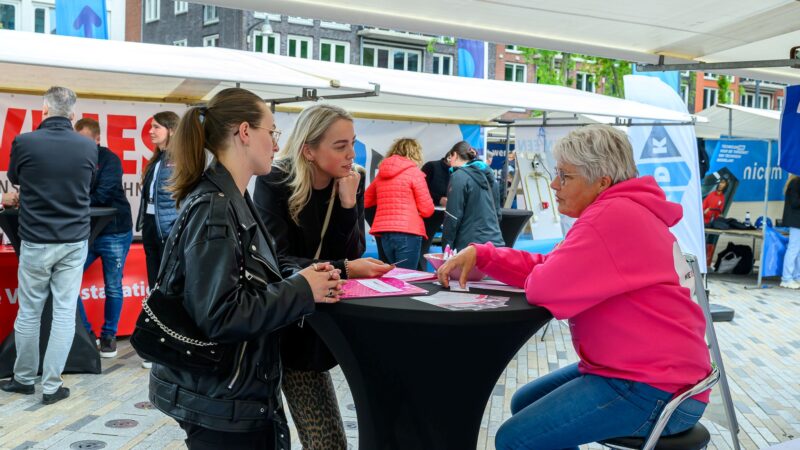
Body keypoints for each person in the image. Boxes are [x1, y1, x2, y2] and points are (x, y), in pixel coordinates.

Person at [438, 125, 712, 450]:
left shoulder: (609, 217)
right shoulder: (624, 211)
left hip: (652, 388)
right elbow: (551, 266)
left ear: (601, 181)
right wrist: (485, 255)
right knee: (525, 403)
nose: (554, 184)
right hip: (666, 378)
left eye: (565, 176)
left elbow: (545, 287)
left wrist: (498, 261)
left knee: (515, 439)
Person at [147, 87, 343, 449]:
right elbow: (221, 314)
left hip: (230, 395)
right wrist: (301, 289)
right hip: (222, 403)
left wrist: (304, 280)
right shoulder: (216, 208)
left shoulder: (232, 199)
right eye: (272, 132)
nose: (275, 144)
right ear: (244, 132)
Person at [254, 104, 393, 450]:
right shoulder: (275, 181)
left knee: (326, 443)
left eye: (354, 143)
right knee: (281, 437)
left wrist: (348, 207)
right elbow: (277, 261)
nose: (351, 154)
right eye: (340, 145)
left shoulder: (351, 181)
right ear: (309, 149)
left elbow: (354, 251)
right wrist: (344, 268)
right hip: (279, 326)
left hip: (320, 325)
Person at [1, 87, 96, 405]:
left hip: (37, 239)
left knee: (29, 312)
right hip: (73, 240)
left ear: (43, 111)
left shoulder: (25, 142)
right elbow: (87, 184)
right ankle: (53, 386)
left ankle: (24, 379)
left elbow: (16, 178)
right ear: (73, 115)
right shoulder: (87, 146)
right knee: (65, 313)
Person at [74, 118, 133, 358]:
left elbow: (103, 194)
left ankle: (109, 336)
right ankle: (87, 333)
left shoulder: (109, 160)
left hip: (115, 232)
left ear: (98, 139)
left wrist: (72, 203)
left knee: (113, 286)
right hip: (85, 232)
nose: (79, 145)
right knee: (68, 282)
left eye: (85, 140)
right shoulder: (72, 160)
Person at [135, 111, 179, 369]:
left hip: (168, 230)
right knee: (154, 286)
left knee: (167, 288)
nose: (151, 131)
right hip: (151, 228)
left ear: (171, 130)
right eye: (151, 126)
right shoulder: (156, 159)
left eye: (156, 127)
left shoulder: (180, 159)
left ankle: (168, 345)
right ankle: (156, 343)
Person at [365, 138, 435, 270]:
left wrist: (386, 201)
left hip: (385, 233)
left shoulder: (381, 174)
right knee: (406, 276)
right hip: (409, 232)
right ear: (415, 153)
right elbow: (427, 210)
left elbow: (367, 201)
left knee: (393, 275)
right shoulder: (414, 173)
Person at [441, 141, 504, 251]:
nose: (449, 161)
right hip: (495, 242)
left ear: (454, 155)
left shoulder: (458, 176)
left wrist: (446, 246)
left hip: (469, 246)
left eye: (449, 158)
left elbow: (453, 216)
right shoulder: (489, 176)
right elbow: (497, 213)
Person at [781, 174, 800, 289]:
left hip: (797, 221)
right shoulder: (795, 183)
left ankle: (796, 276)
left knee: (798, 251)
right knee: (793, 249)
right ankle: (786, 278)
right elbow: (794, 203)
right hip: (796, 221)